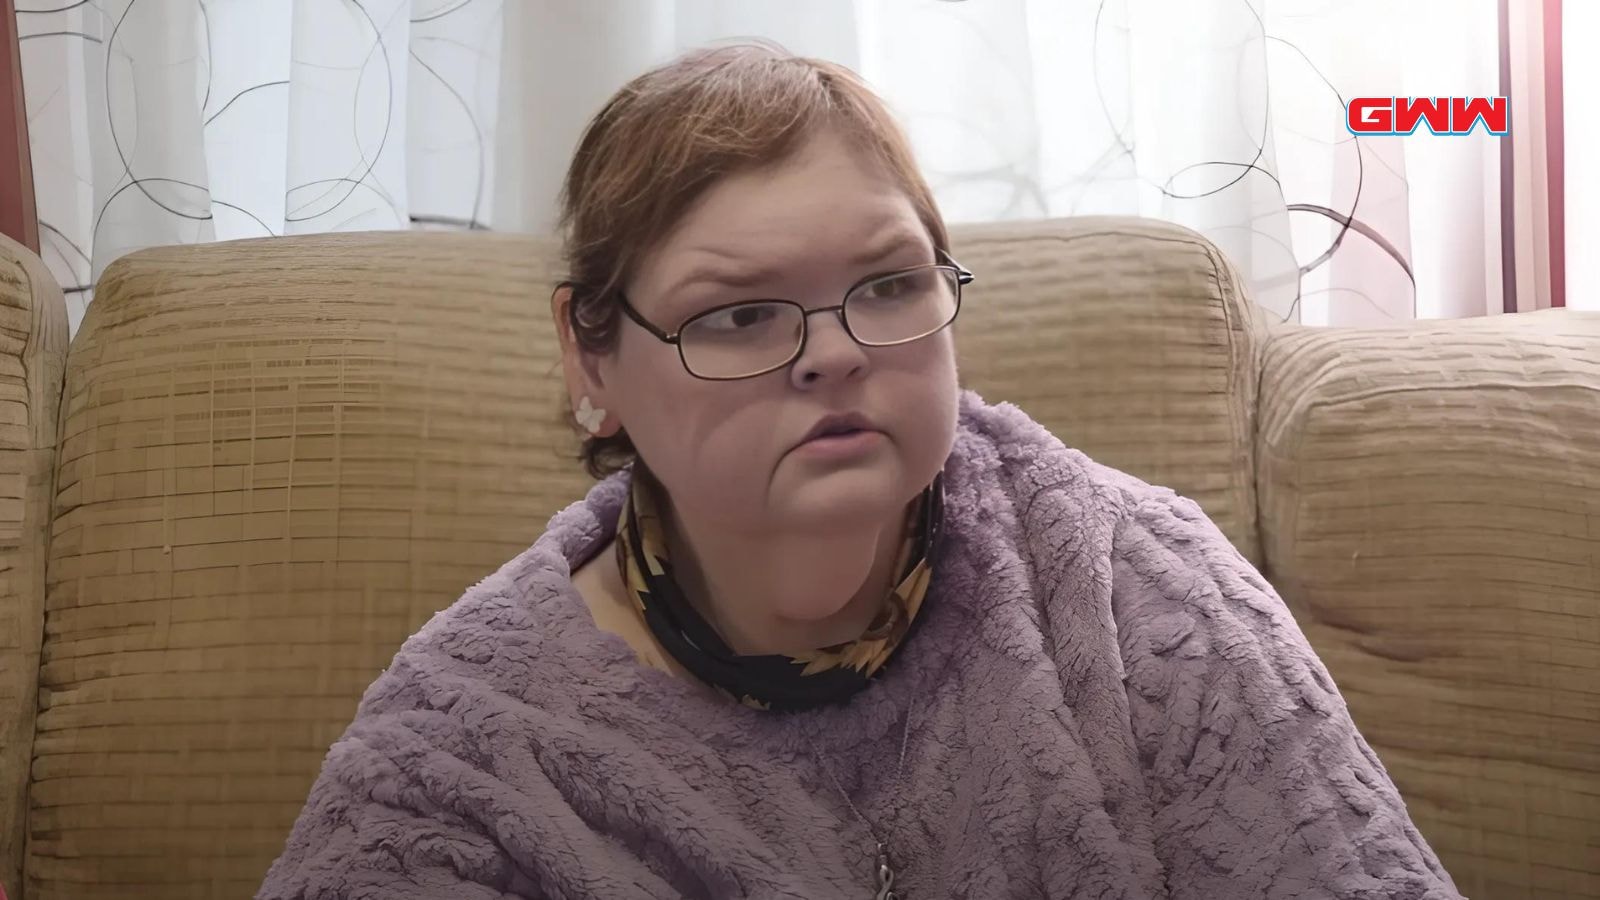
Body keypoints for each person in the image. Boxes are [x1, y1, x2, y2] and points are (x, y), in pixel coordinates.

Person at [258, 44, 1461, 900]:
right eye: (736, 316)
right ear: (592, 355)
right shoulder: (470, 748)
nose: (833, 353)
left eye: (887, 285)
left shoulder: (1134, 593)